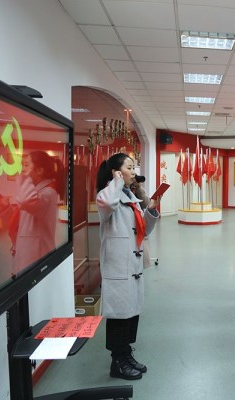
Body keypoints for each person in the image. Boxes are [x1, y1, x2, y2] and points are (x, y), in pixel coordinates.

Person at [96, 153, 160, 380]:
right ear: (116, 172)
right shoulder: (107, 195)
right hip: (117, 265)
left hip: (132, 263)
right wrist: (116, 181)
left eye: (134, 168)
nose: (134, 172)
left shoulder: (130, 196)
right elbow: (107, 204)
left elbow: (143, 230)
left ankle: (126, 354)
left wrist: (150, 210)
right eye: (129, 168)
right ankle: (117, 361)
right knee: (119, 315)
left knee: (131, 313)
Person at [8, 150, 65, 276]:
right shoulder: (36, 192)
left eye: (27, 165)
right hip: (28, 252)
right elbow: (22, 219)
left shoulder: (47, 193)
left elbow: (25, 200)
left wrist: (25, 178)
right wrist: (6, 207)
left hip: (36, 255)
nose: (23, 169)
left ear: (39, 170)